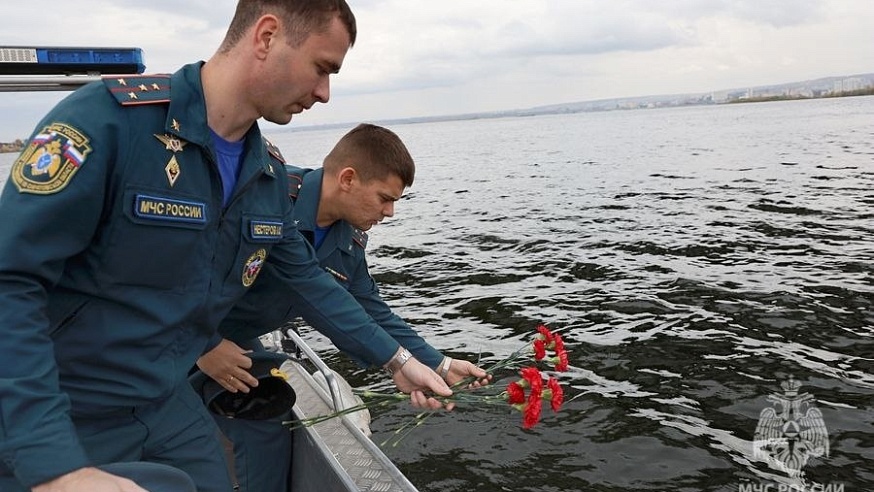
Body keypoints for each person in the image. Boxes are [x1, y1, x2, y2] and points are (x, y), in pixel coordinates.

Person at [0, 2, 455, 491]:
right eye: (322, 68)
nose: (324, 93)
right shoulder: (107, 123)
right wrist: (55, 467)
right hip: (63, 401)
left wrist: (403, 363)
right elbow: (11, 281)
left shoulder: (266, 178)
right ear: (266, 36)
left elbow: (310, 284)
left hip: (163, 399)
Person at [196, 123, 490, 491]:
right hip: (180, 330)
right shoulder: (268, 197)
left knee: (266, 425)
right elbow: (183, 268)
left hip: (236, 342)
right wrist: (203, 343)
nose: (390, 212)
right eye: (385, 198)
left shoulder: (347, 239)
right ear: (348, 179)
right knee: (182, 449)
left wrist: (440, 364)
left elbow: (372, 309)